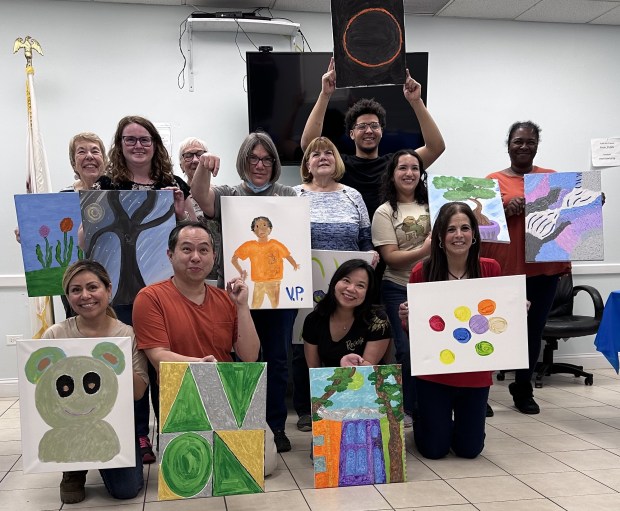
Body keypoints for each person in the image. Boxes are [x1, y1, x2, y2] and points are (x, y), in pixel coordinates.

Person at [92, 115, 201, 464]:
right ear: (119, 144)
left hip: (166, 292)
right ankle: (138, 434)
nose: (138, 145)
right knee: (133, 366)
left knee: (164, 363)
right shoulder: (106, 185)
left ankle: (170, 432)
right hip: (121, 293)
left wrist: (183, 211)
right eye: (130, 139)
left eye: (145, 139)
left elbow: (193, 233)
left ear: (155, 144)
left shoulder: (173, 183)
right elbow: (87, 238)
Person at [131, 221, 277, 475]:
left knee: (263, 467)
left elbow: (249, 355)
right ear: (170, 255)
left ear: (214, 256)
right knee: (192, 473)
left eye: (203, 250)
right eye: (186, 249)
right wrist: (200, 366)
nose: (195, 257)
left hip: (227, 395)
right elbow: (158, 358)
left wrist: (242, 306)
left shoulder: (225, 298)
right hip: (182, 398)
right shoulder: (150, 298)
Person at [191, 131, 298, 453]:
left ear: (275, 163)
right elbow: (199, 194)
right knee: (243, 360)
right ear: (243, 161)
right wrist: (203, 168)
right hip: (238, 297)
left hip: (278, 295)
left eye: (266, 159)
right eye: (254, 158)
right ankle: (246, 423)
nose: (260, 165)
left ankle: (276, 426)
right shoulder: (228, 193)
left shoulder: (288, 195)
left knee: (278, 360)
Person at [480, 121, 571, 415]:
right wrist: (505, 208)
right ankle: (481, 393)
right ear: (509, 144)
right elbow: (481, 226)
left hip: (543, 270)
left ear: (537, 145)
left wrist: (590, 203)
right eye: (518, 141)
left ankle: (523, 388)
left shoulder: (552, 179)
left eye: (530, 142)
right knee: (491, 330)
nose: (524, 146)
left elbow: (569, 215)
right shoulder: (492, 181)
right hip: (504, 270)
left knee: (532, 333)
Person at [42, 260, 149, 504]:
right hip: (69, 422)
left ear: (108, 290)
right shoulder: (55, 335)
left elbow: (138, 392)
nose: (85, 296)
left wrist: (109, 363)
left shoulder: (126, 333)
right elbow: (44, 392)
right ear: (67, 296)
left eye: (93, 287)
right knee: (72, 497)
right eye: (75, 290)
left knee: (127, 490)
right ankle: (75, 467)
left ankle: (99, 457)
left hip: (114, 423)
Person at [400, 202, 500, 459]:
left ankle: (456, 426)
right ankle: (430, 421)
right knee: (434, 450)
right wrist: (407, 319)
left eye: (465, 228)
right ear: (441, 238)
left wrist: (514, 310)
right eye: (451, 229)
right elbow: (417, 334)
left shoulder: (490, 269)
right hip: (435, 373)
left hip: (474, 373)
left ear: (474, 234)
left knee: (470, 450)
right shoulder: (422, 271)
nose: (459, 235)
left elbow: (497, 322)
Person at [291, 136, 377, 431]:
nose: (323, 157)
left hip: (348, 286)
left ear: (337, 160)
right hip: (303, 282)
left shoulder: (353, 195)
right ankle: (307, 407)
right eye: (316, 154)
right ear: (307, 164)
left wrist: (371, 256)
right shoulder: (293, 195)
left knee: (344, 341)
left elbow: (365, 239)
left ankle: (349, 401)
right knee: (303, 342)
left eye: (329, 152)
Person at [300, 57, 445, 220]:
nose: (369, 131)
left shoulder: (396, 165)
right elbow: (309, 144)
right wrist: (325, 94)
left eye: (374, 126)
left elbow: (435, 147)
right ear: (351, 134)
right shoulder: (340, 164)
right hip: (350, 236)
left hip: (388, 239)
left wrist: (416, 101)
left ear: (381, 131)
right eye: (362, 127)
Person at [371, 149, 432, 427]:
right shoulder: (385, 211)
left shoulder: (435, 204)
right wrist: (426, 249)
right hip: (398, 287)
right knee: (406, 350)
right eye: (402, 168)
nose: (409, 173)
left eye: (414, 168)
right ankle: (409, 408)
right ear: (392, 174)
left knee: (431, 349)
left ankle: (433, 405)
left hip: (435, 288)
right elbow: (390, 258)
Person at [303, 259, 391, 369]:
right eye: (346, 280)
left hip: (367, 382)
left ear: (368, 292)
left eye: (360, 286)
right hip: (328, 383)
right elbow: (314, 371)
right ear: (335, 282)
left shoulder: (377, 319)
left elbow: (368, 372)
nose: (351, 289)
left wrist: (350, 367)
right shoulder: (314, 320)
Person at [232, 216, 300, 308]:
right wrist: (241, 272)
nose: (261, 229)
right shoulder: (250, 246)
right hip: (258, 283)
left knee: (275, 307)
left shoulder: (275, 244)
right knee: (255, 307)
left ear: (270, 229)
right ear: (253, 231)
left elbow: (287, 255)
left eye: (264, 225)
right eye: (257, 226)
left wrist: (295, 264)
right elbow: (234, 259)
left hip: (274, 282)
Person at [178, 136, 221, 281]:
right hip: (187, 273)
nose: (196, 160)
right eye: (188, 156)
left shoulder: (221, 196)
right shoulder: (175, 196)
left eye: (200, 155)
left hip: (219, 272)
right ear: (181, 164)